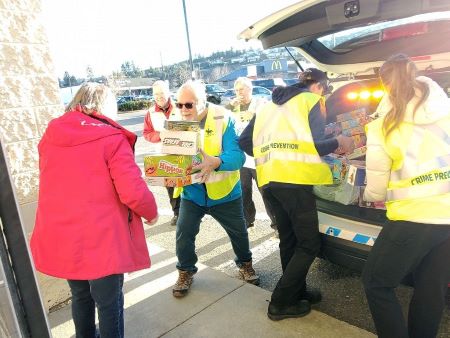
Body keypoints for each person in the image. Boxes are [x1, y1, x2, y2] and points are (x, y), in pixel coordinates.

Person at [31, 83, 158, 338]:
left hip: (66, 236)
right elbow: (132, 191)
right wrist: (152, 212)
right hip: (103, 239)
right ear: (105, 106)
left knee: (80, 297)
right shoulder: (111, 138)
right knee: (109, 304)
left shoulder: (51, 136)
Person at [239, 68, 354, 320]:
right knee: (309, 243)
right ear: (319, 87)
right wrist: (339, 142)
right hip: (295, 180)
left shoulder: (268, 105)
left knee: (289, 239)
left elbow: (244, 141)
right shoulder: (311, 101)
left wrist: (272, 155)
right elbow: (313, 144)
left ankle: (296, 292)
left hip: (269, 180)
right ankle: (280, 302)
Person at [362, 54, 450, 338]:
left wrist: (365, 196)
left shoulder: (383, 124)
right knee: (431, 288)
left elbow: (376, 185)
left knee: (377, 283)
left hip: (412, 217)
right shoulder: (446, 112)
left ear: (385, 85)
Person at [171, 80, 259, 298]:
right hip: (193, 193)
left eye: (188, 105)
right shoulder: (175, 121)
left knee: (239, 232)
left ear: (202, 101)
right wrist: (167, 173)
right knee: (183, 233)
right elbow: (172, 159)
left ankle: (245, 263)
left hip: (225, 193)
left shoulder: (223, 117)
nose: (183, 110)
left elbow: (238, 156)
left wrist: (216, 162)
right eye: (179, 104)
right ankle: (185, 270)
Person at [225, 77, 277, 230]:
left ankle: (276, 225)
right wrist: (229, 106)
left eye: (241, 89)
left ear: (250, 89)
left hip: (258, 156)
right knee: (244, 192)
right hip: (241, 158)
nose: (238, 93)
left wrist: (254, 115)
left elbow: (270, 118)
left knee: (266, 192)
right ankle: (248, 221)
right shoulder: (232, 107)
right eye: (236, 90)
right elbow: (220, 120)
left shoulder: (260, 103)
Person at [143, 80, 181, 226]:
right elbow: (147, 134)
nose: (159, 97)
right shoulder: (150, 113)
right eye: (156, 94)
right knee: (171, 186)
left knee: (189, 185)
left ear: (168, 92)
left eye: (162, 93)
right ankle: (177, 213)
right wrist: (160, 136)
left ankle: (195, 213)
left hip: (183, 153)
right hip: (164, 156)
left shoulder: (180, 106)